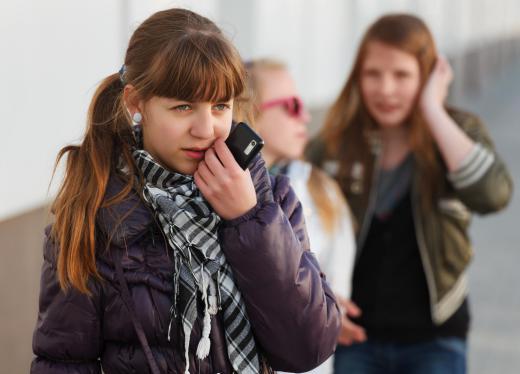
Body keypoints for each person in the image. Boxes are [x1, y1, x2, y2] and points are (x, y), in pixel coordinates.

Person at [31, 8, 341, 374]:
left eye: (220, 106)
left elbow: (308, 348)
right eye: (182, 107)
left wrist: (249, 220)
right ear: (136, 103)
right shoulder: (93, 211)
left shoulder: (272, 199)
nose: (205, 128)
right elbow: (63, 362)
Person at [307, 13, 513, 374]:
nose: (386, 89)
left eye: (402, 75)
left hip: (435, 338)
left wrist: (432, 109)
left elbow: (493, 194)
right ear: (358, 76)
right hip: (355, 339)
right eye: (373, 74)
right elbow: (296, 233)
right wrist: (322, 302)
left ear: (428, 76)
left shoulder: (455, 133)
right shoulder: (336, 146)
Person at [245, 59, 356, 374]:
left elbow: (337, 289)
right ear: (249, 111)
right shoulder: (211, 192)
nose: (305, 117)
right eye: (291, 106)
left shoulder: (324, 192)